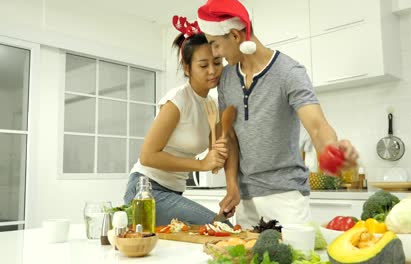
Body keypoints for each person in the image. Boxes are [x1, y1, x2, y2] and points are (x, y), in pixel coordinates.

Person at [196, 0, 360, 228]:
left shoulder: (289, 72)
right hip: (245, 200)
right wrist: (232, 186)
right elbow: (230, 136)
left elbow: (317, 126)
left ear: (234, 36)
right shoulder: (226, 79)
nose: (216, 53)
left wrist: (333, 149)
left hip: (286, 197)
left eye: (215, 44)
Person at [123, 16, 230, 226]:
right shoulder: (177, 101)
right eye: (203, 65)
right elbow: (147, 156)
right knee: (221, 227)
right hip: (146, 191)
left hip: (173, 192)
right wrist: (201, 164)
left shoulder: (211, 105)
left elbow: (216, 151)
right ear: (187, 68)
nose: (212, 70)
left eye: (217, 63)